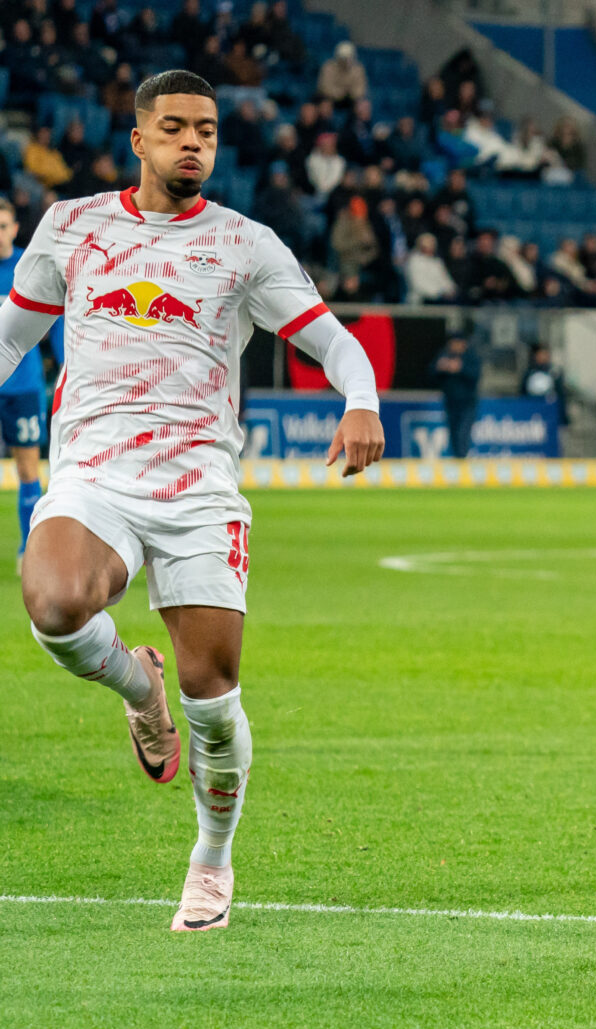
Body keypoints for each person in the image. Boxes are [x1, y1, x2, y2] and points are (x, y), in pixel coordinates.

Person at [0, 70, 385, 933]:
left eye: (205, 132)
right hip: (94, 474)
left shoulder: (245, 245)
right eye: (174, 128)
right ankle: (138, 685)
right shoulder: (73, 226)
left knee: (212, 697)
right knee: (53, 604)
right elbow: (12, 336)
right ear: (138, 138)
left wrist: (360, 401)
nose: (192, 144)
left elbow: (334, 342)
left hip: (199, 490)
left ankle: (212, 858)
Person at [0, 198, 53, 571]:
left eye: (3, 226)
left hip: (23, 387)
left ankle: (28, 552)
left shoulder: (28, 266)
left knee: (29, 471)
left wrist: (65, 360)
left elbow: (57, 319)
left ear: (15, 229)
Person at [434, 333, 481, 458]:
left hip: (467, 404)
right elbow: (432, 374)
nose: (454, 346)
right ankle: (458, 460)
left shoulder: (470, 356)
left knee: (463, 434)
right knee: (453, 434)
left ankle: (462, 459)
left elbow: (475, 375)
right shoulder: (444, 355)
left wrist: (460, 368)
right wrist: (442, 367)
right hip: (451, 403)